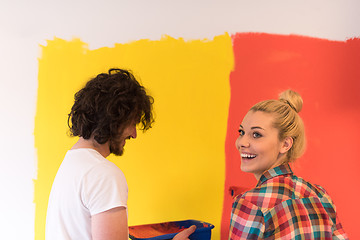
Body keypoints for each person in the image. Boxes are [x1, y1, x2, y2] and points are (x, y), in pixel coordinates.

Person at [45, 68, 196, 240]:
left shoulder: (71, 163)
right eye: (132, 123)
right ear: (114, 119)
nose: (134, 133)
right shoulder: (103, 174)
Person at [228, 90, 348, 239]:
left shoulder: (249, 203)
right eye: (241, 132)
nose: (241, 143)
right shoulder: (321, 195)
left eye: (256, 134)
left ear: (285, 144)